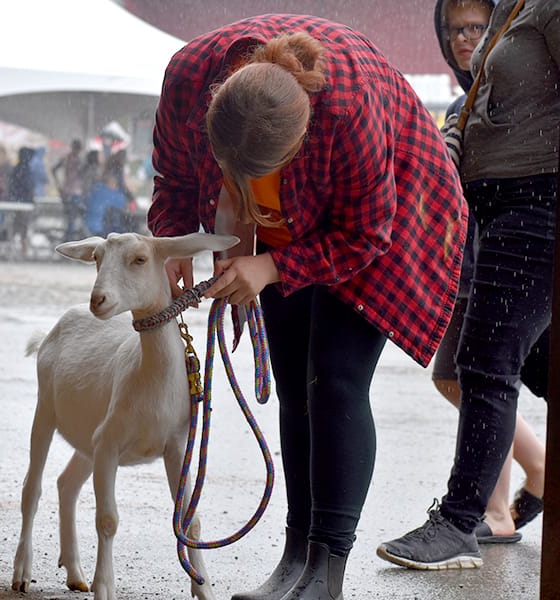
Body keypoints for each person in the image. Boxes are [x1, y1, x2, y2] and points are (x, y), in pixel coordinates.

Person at [148, 15, 466, 599]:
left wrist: (270, 267)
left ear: (301, 144)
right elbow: (172, 174)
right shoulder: (188, 75)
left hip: (385, 214)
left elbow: (367, 232)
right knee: (295, 382)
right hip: (279, 227)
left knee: (335, 380)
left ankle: (326, 570)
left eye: (259, 175)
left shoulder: (346, 108)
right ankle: (295, 559)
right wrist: (173, 239)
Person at [377, 0, 557, 570]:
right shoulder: (515, 7)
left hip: (537, 202)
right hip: (497, 206)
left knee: (484, 366)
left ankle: (459, 524)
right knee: (533, 370)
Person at [426, 0, 546, 545]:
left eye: (477, 26)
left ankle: (502, 502)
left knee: (482, 378)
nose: (465, 38)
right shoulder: (466, 104)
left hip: (501, 249)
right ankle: (507, 495)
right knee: (474, 378)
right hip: (473, 256)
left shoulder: (503, 102)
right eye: (455, 29)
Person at [51, 139, 85, 241]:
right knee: (71, 217)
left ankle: (68, 238)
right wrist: (59, 186)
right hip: (71, 192)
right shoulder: (73, 160)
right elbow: (54, 170)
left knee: (71, 217)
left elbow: (54, 170)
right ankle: (69, 239)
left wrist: (59, 186)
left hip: (69, 191)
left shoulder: (74, 160)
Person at [83, 171, 133, 237]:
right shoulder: (112, 194)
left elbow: (86, 201)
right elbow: (127, 205)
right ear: (112, 183)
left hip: (86, 224)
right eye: (115, 184)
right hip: (100, 227)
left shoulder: (96, 189)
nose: (116, 186)